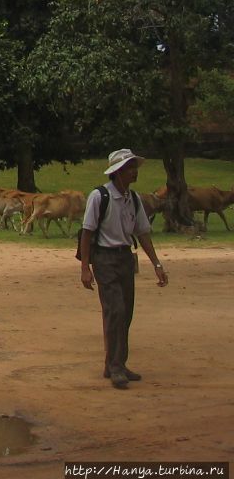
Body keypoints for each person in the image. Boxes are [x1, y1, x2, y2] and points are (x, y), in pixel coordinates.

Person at [78, 148, 168, 389]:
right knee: (115, 309)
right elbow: (86, 234)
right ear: (117, 172)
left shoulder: (134, 199)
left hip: (126, 258)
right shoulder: (99, 197)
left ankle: (116, 363)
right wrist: (85, 267)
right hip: (104, 258)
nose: (134, 172)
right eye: (130, 167)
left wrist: (157, 264)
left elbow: (143, 233)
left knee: (125, 312)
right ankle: (116, 367)